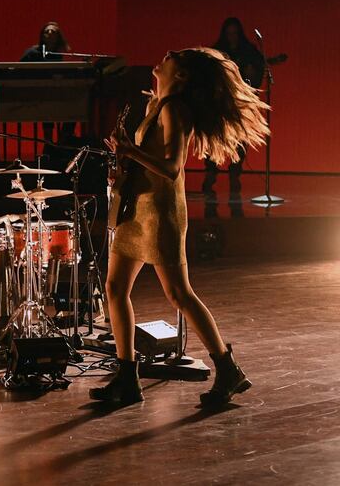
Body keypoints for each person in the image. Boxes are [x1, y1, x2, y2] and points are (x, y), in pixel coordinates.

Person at [98, 48, 269, 406]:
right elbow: (149, 161)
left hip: (160, 213)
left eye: (174, 56)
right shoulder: (155, 106)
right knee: (115, 288)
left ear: (182, 76)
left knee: (179, 293)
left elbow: (172, 167)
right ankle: (127, 377)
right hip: (137, 208)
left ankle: (227, 368)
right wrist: (124, 165)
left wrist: (131, 152)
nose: (166, 54)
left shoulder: (175, 109)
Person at [202, 17, 266, 201]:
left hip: (240, 103)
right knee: (215, 136)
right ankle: (211, 173)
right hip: (221, 102)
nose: (232, 37)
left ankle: (235, 174)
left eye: (235, 33)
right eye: (229, 33)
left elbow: (258, 69)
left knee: (240, 139)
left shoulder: (248, 51)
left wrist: (252, 73)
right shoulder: (218, 51)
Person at [20, 22, 79, 161]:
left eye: (54, 31)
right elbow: (18, 69)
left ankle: (64, 141)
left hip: (55, 96)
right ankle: (49, 144)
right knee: (48, 108)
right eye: (47, 31)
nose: (50, 33)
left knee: (75, 107)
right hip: (36, 97)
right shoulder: (32, 53)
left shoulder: (57, 54)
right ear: (42, 35)